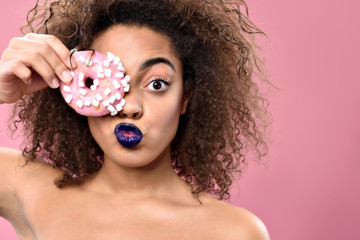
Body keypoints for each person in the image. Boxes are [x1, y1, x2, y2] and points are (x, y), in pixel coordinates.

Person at [0, 0, 270, 239]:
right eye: (102, 83)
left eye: (156, 84)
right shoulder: (34, 193)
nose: (129, 108)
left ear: (185, 98)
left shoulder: (234, 232)